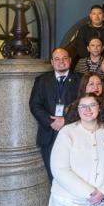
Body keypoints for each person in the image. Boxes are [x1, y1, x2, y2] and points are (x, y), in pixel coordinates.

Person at [29, 48, 79, 181]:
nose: (61, 62)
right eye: (57, 59)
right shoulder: (42, 80)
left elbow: (84, 104)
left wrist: (66, 120)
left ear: (70, 60)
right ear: (52, 62)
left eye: (64, 58)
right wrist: (51, 121)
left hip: (74, 133)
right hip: (48, 134)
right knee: (53, 175)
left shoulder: (81, 79)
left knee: (75, 174)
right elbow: (34, 105)